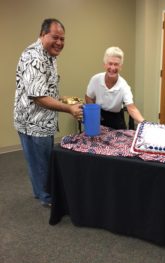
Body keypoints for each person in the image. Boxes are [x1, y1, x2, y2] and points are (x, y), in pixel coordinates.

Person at [14, 18, 83, 207]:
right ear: (42, 35)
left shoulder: (49, 55)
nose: (59, 43)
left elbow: (43, 88)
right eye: (55, 37)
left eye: (62, 39)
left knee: (37, 161)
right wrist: (68, 108)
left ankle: (41, 193)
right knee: (42, 162)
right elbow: (38, 97)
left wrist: (63, 99)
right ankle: (48, 198)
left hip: (39, 119)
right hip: (34, 122)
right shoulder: (35, 57)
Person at [85, 46, 145, 129]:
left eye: (116, 64)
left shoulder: (124, 85)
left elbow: (131, 108)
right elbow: (88, 97)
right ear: (105, 65)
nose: (112, 68)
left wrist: (144, 124)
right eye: (110, 63)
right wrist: (94, 113)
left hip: (116, 119)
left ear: (120, 67)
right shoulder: (95, 79)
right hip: (99, 116)